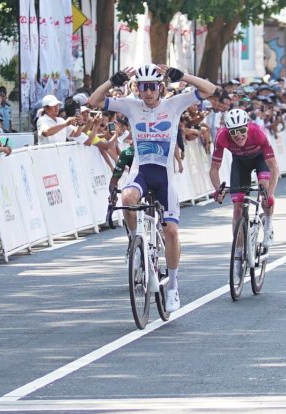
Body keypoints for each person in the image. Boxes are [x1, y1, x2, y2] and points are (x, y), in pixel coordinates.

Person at [88, 63, 217, 312]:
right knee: (127, 198)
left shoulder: (174, 104)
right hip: (141, 171)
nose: (147, 93)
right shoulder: (130, 105)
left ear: (160, 87)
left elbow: (210, 89)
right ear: (137, 88)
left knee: (171, 232)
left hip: (164, 176)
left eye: (151, 87)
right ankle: (136, 244)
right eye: (142, 87)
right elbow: (94, 101)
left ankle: (173, 287)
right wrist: (112, 82)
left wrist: (183, 76)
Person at [209, 109, 279, 277]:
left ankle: (268, 225)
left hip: (260, 159)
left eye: (242, 130)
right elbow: (214, 169)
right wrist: (218, 189)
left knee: (263, 187)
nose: (239, 136)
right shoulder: (221, 136)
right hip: (240, 164)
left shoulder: (257, 132)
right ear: (228, 131)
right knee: (238, 208)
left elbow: (274, 167)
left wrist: (269, 193)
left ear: (248, 127)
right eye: (234, 132)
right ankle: (239, 253)